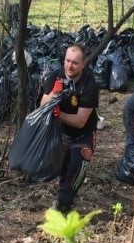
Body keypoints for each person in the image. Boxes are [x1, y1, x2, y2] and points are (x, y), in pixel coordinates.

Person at [40, 44, 100, 213]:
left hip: (83, 133)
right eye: (67, 61)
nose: (69, 66)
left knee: (77, 163)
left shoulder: (89, 85)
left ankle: (63, 204)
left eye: (74, 62)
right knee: (63, 167)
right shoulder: (56, 75)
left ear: (82, 64)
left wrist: (59, 114)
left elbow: (81, 121)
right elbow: (42, 103)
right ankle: (64, 196)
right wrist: (54, 94)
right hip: (61, 132)